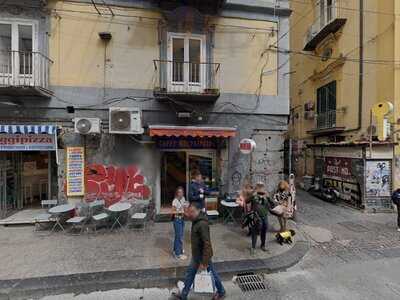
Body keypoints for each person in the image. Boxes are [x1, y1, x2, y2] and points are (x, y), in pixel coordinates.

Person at [173, 202, 226, 300]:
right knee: (190, 273)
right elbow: (189, 216)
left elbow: (207, 244)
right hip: (197, 254)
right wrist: (185, 212)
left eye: (192, 212)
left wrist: (204, 262)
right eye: (189, 212)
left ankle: (221, 292)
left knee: (212, 274)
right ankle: (184, 295)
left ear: (198, 210)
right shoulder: (196, 219)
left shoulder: (202, 224)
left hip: (202, 256)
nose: (190, 214)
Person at [241, 187, 268, 254]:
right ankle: (253, 247)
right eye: (260, 188)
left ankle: (263, 245)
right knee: (254, 232)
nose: (261, 190)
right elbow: (246, 201)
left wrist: (268, 197)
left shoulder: (265, 197)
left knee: (263, 232)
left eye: (262, 187)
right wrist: (253, 194)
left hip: (265, 217)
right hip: (256, 217)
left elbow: (272, 205)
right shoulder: (254, 197)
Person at [172, 187, 188, 260]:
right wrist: (181, 211)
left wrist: (186, 207)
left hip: (182, 219)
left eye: (182, 192)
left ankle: (176, 250)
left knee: (179, 236)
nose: (181, 194)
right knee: (179, 236)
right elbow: (173, 211)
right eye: (179, 192)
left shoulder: (183, 198)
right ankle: (179, 254)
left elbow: (184, 208)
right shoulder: (175, 201)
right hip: (177, 220)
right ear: (177, 193)